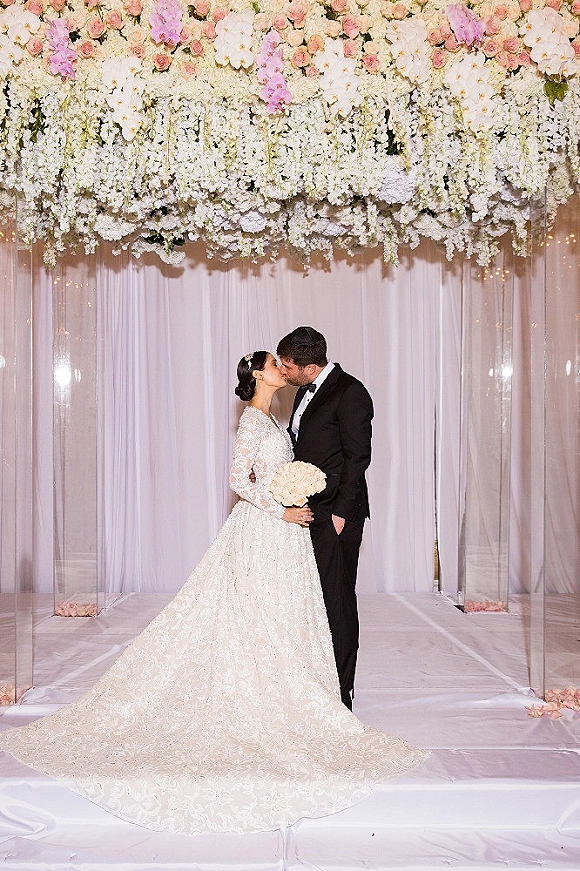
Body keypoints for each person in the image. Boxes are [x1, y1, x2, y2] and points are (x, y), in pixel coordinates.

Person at [0, 352, 428, 836]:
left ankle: (296, 687)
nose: (282, 369)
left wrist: (295, 494)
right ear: (260, 375)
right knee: (250, 611)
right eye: (274, 363)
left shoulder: (275, 417)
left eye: (284, 362)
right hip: (266, 527)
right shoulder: (253, 421)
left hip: (285, 534)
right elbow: (238, 480)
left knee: (280, 613)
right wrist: (282, 509)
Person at [277, 327, 372, 710]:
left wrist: (340, 515)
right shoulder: (304, 390)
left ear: (310, 366)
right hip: (309, 512)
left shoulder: (351, 393)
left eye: (287, 366)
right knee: (312, 601)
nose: (283, 371)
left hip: (335, 516)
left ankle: (342, 695)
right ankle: (316, 684)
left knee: (337, 603)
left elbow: (357, 458)